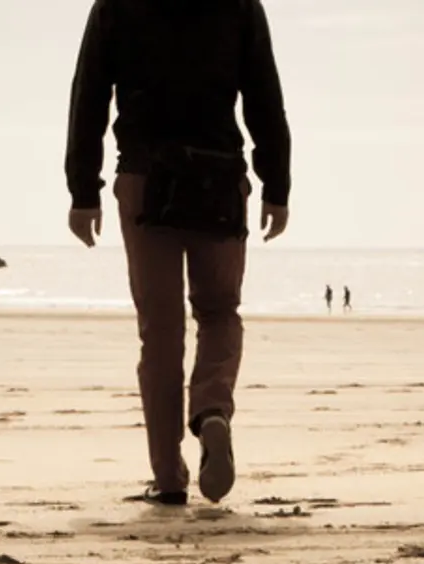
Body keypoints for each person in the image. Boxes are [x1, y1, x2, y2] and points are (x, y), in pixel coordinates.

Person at [65, 0, 292, 506]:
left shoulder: (117, 7)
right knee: (218, 312)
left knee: (161, 332)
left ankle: (168, 477)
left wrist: (83, 191)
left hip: (147, 181)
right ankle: (212, 411)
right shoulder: (239, 7)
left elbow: (89, 99)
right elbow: (264, 100)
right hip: (219, 180)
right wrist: (277, 185)